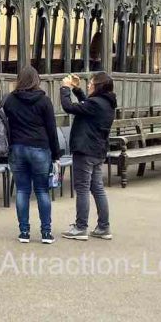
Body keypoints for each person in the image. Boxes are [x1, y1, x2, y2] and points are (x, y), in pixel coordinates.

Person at [3, 66, 61, 244]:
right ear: (37, 79)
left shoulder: (10, 100)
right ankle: (46, 233)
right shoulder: (44, 101)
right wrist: (56, 154)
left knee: (22, 190)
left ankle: (24, 232)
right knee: (42, 191)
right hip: (39, 148)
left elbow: (3, 124)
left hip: (17, 148)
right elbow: (51, 129)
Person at [60, 72, 116, 241]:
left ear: (98, 86)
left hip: (85, 150)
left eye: (91, 83)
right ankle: (103, 227)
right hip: (97, 150)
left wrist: (65, 88)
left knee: (83, 188)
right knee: (97, 188)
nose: (89, 85)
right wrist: (77, 90)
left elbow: (69, 107)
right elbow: (86, 104)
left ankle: (80, 227)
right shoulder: (106, 103)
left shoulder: (96, 104)